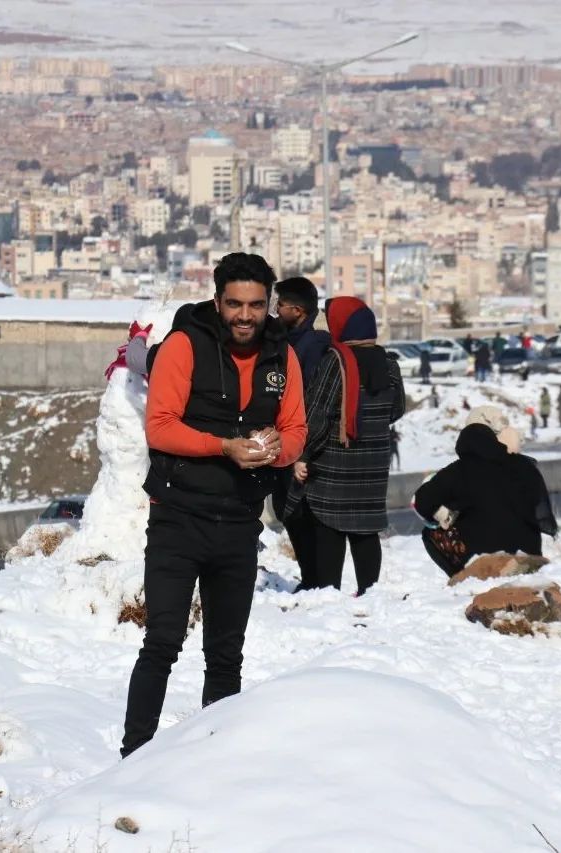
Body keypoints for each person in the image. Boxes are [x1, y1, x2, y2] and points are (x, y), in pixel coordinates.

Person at [120, 253, 308, 758]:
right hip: (178, 517)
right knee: (161, 643)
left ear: (268, 303)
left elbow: (296, 430)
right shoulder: (186, 345)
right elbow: (159, 426)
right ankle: (132, 757)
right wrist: (225, 446)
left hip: (240, 524)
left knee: (225, 656)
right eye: (234, 304)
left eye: (255, 305)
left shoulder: (280, 354)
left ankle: (214, 763)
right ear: (217, 299)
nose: (245, 316)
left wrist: (275, 449)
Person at [285, 296, 405, 595]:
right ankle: (370, 592)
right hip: (374, 463)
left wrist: (301, 453)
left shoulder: (334, 363)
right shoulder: (389, 364)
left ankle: (329, 593)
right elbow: (397, 410)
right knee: (365, 530)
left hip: (336, 463)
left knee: (329, 527)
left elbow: (317, 416)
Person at [413, 406, 557, 578]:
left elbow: (422, 502)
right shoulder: (524, 465)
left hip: (484, 559)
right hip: (530, 553)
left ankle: (461, 575)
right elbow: (536, 501)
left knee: (430, 533)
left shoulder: (458, 471)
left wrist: (448, 509)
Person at [268, 276, 332, 592]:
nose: (276, 310)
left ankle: (316, 580)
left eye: (281, 305)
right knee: (287, 510)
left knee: (299, 512)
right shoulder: (288, 341)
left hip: (301, 443)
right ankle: (312, 578)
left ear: (298, 310)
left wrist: (303, 450)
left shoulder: (313, 347)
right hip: (285, 437)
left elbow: (310, 399)